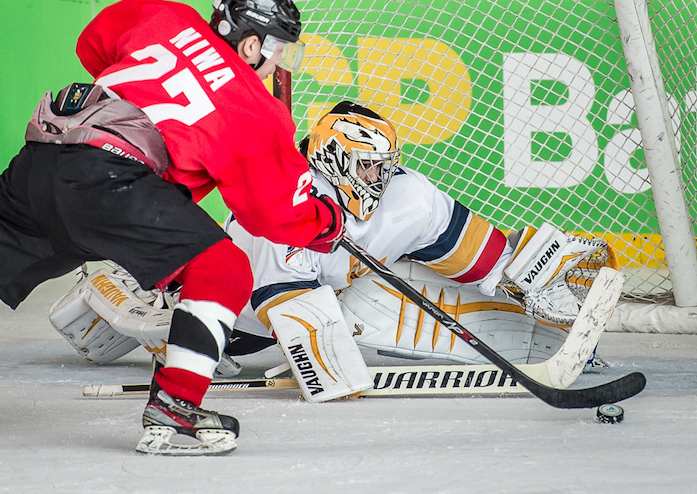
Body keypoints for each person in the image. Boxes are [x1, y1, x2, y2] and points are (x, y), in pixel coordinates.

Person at [0, 0, 345, 456]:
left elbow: (93, 43)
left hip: (41, 160)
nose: (278, 62)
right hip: (111, 181)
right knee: (224, 267)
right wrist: (327, 225)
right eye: (278, 48)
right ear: (252, 42)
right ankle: (176, 410)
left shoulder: (166, 16)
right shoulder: (251, 104)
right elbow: (274, 214)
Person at [220, 101, 618, 399]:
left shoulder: (409, 195)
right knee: (347, 307)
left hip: (329, 289)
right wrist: (327, 364)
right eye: (367, 166)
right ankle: (172, 338)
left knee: (398, 279)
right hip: (239, 319)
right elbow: (284, 303)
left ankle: (543, 337)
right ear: (334, 159)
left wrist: (528, 274)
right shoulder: (284, 206)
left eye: (385, 165)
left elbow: (478, 254)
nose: (379, 178)